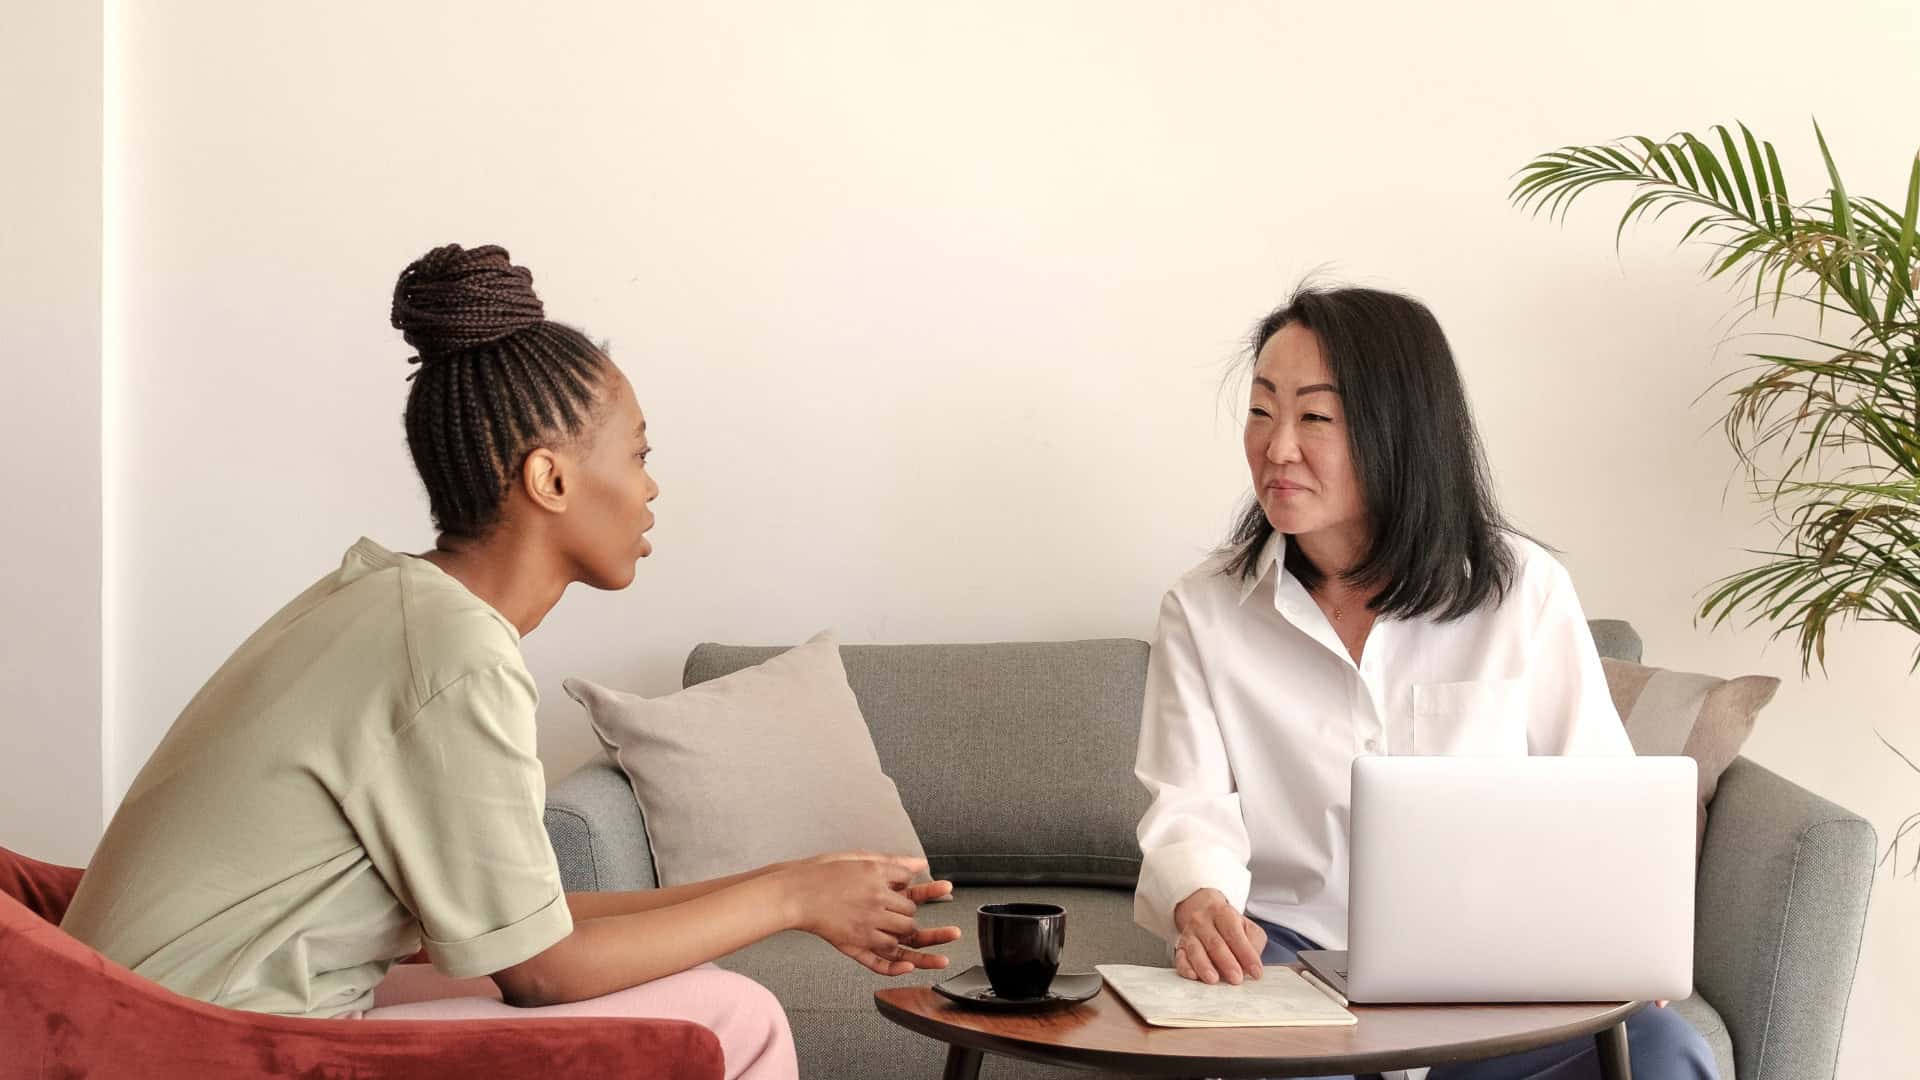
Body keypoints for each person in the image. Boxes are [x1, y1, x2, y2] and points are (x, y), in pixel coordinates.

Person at [61, 244, 959, 1080]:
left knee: (681, 984)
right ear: (550, 481)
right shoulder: (453, 653)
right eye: (639, 454)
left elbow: (529, 932)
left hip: (162, 1018)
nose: (651, 488)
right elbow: (545, 973)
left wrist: (787, 881)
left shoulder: (388, 603)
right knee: (733, 1018)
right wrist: (792, 902)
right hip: (196, 1048)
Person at [1131, 285, 1716, 1079]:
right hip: (1294, 965)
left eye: (1314, 417)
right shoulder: (1204, 609)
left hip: (1499, 979)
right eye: (1262, 410)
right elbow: (1188, 804)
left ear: (1395, 430)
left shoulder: (1522, 590)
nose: (1276, 448)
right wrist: (1198, 897)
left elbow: (1599, 788)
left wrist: (1616, 938)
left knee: (1665, 1056)